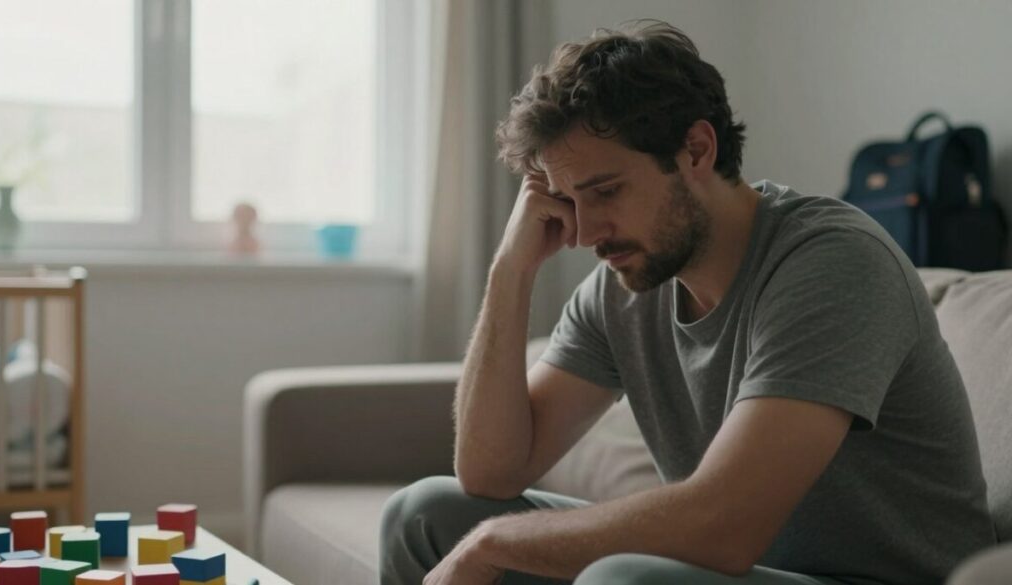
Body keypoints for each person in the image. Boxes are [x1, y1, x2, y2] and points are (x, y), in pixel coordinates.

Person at [379, 20, 996, 585]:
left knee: (623, 580)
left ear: (696, 151)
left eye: (606, 191)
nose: (586, 232)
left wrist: (494, 544)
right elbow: (492, 475)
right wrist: (509, 271)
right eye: (568, 201)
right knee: (427, 514)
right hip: (746, 572)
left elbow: (722, 527)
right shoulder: (626, 283)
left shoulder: (832, 262)